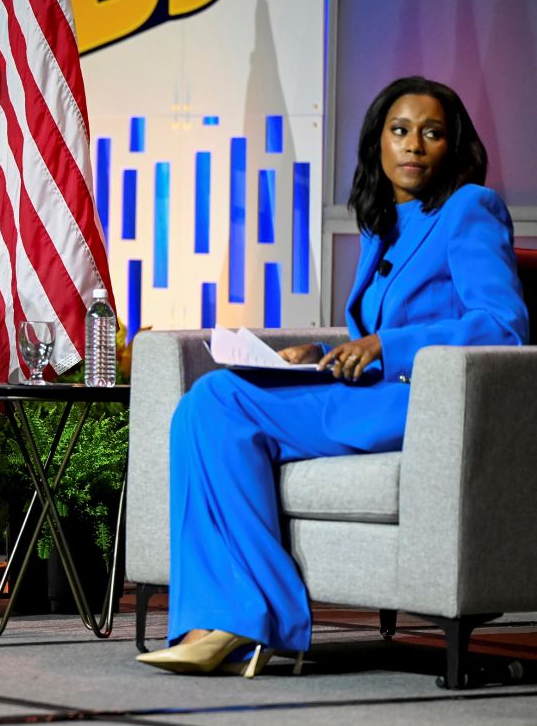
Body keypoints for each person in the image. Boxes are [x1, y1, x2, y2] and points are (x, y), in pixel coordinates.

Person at [136, 77, 528, 676]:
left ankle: (250, 620)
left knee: (217, 400)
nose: (413, 145)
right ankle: (222, 621)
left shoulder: (469, 209)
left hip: (420, 404)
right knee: (201, 404)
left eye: (432, 133)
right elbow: (370, 329)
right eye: (399, 131)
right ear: (379, 142)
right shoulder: (383, 225)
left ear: (454, 146)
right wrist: (321, 350)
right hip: (363, 394)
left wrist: (386, 347)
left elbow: (502, 326)